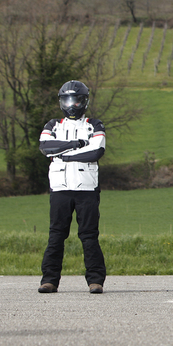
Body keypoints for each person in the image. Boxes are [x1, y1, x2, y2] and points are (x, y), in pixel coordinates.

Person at [38, 80, 107, 294]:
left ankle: (95, 280)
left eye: (77, 100)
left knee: (88, 235)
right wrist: (75, 145)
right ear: (61, 102)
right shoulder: (53, 125)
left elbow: (96, 152)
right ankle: (49, 280)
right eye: (68, 100)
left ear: (84, 102)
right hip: (59, 188)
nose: (72, 105)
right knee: (56, 234)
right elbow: (45, 147)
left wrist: (61, 154)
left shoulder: (94, 125)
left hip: (87, 188)